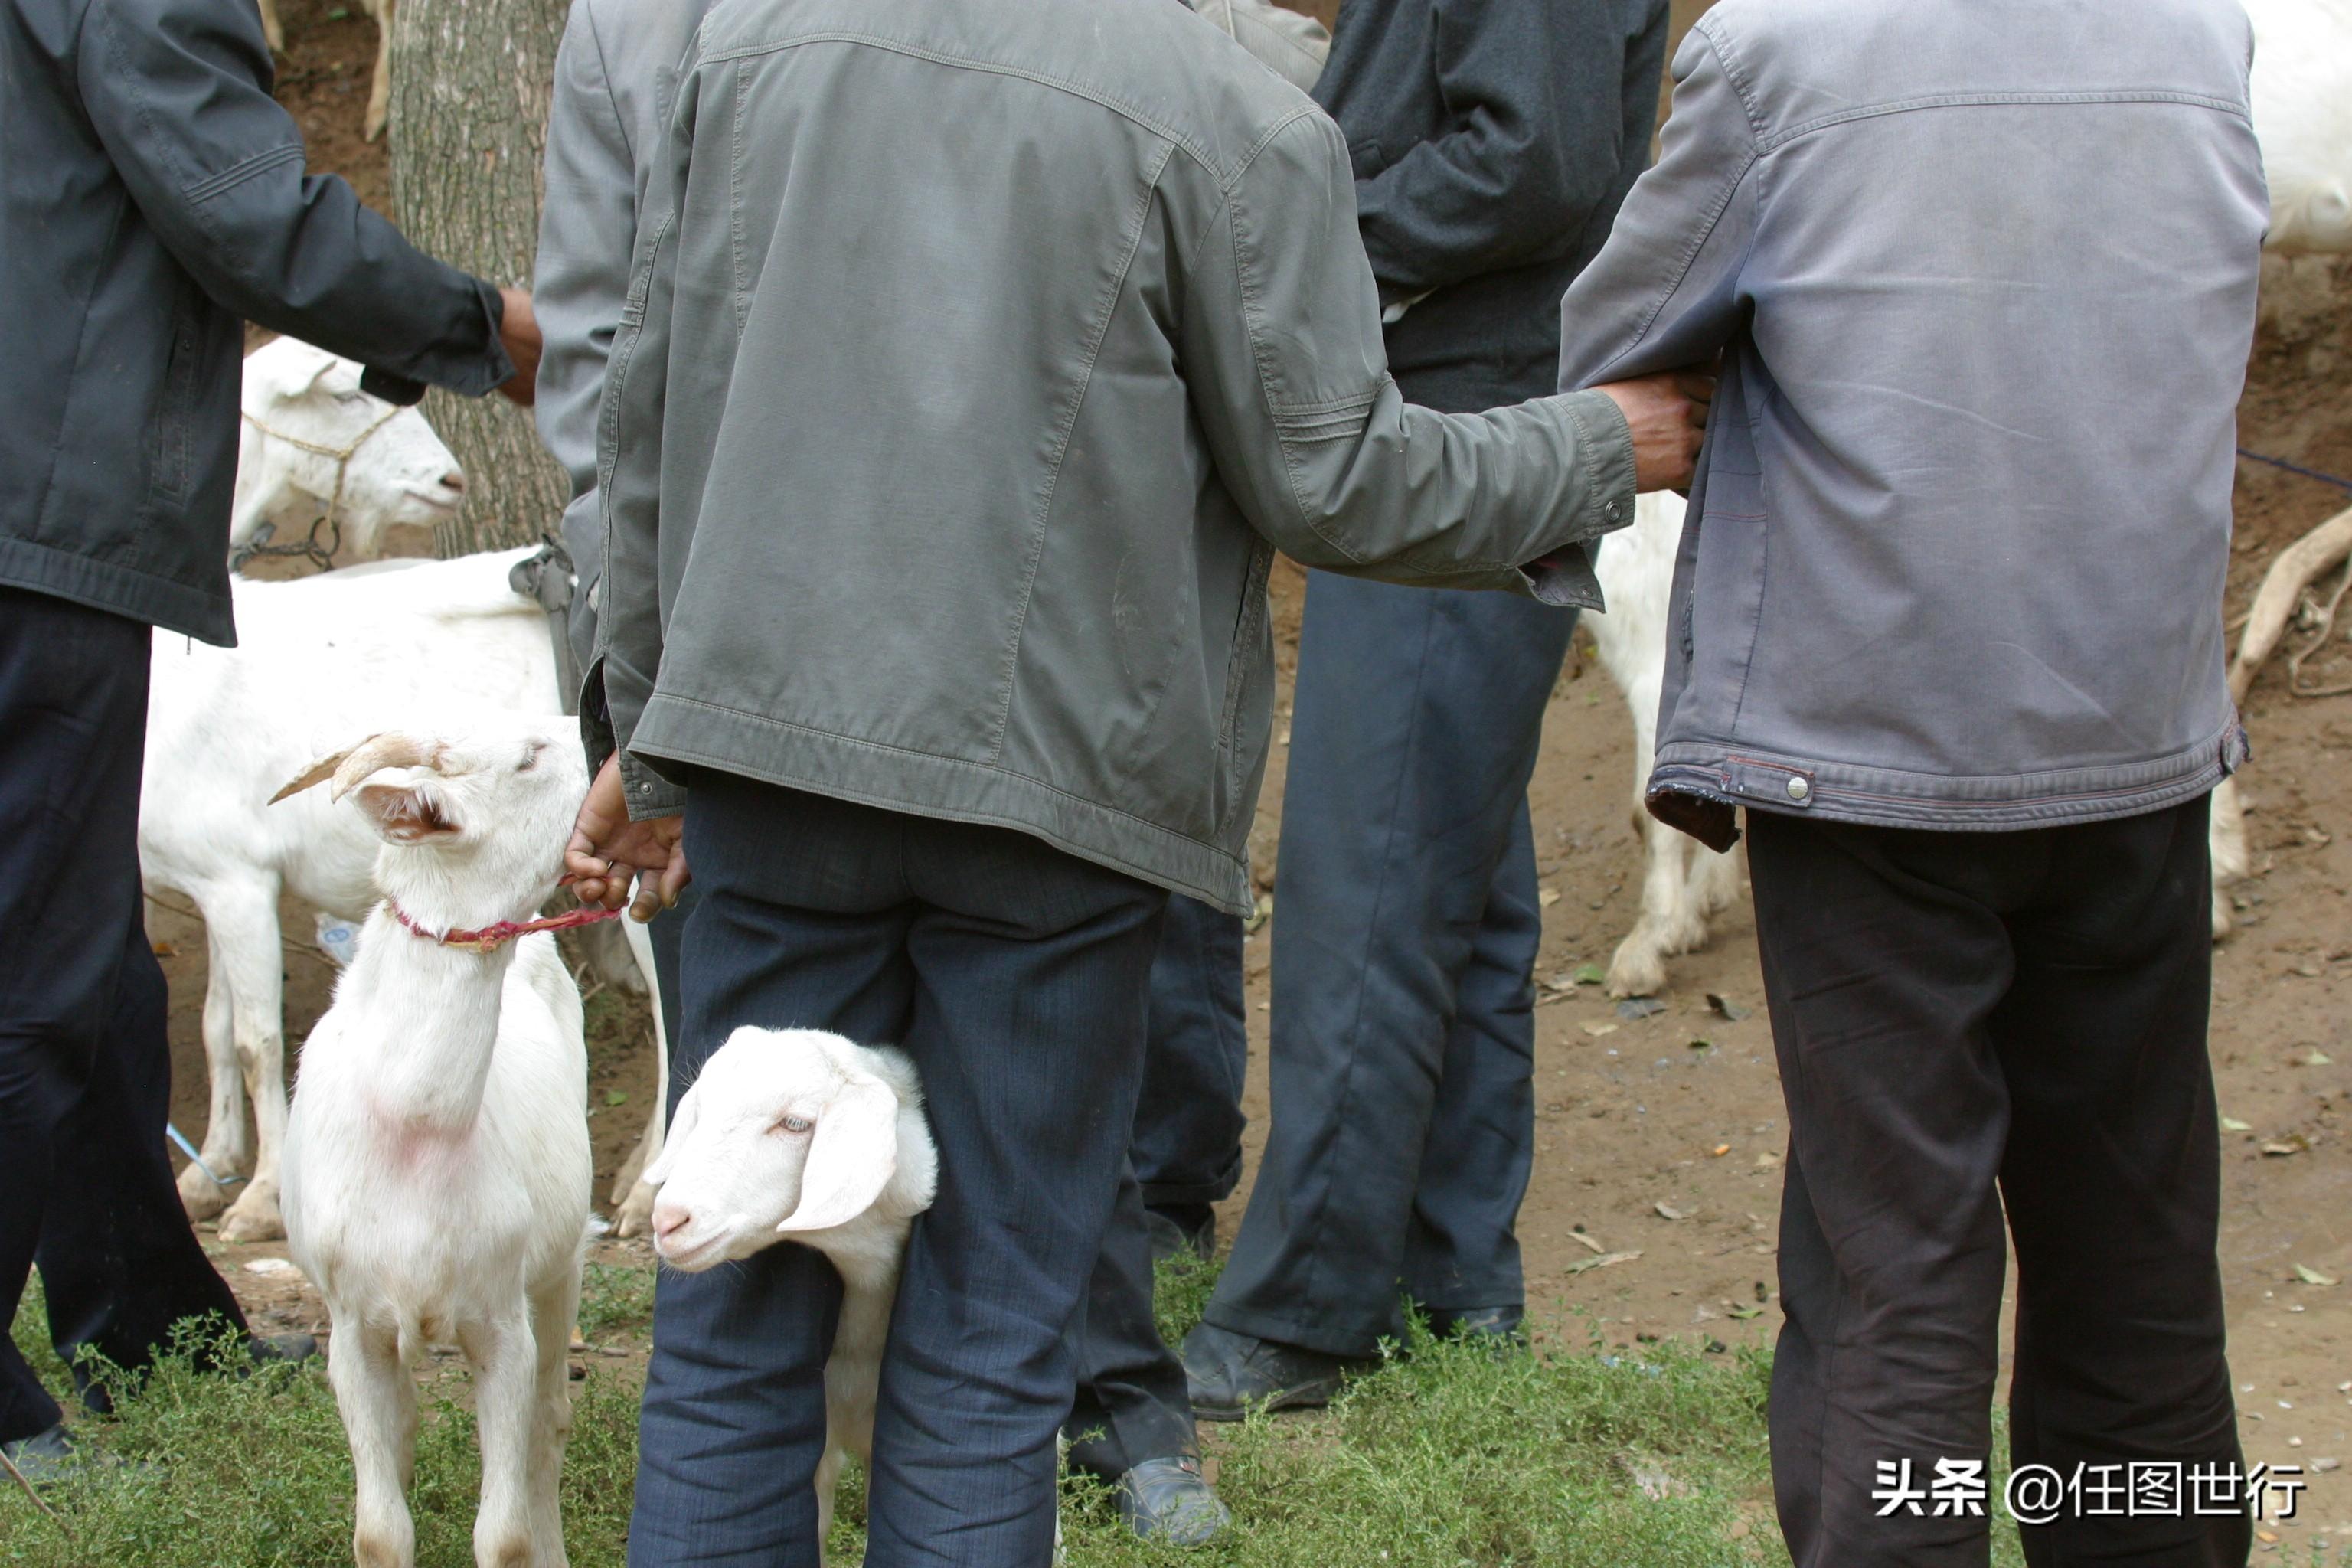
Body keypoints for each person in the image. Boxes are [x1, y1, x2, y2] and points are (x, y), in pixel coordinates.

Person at [560, 0, 1706, 1557]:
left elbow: (646, 413)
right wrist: (1596, 446)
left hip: (775, 768)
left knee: (732, 1323)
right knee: (989, 1340)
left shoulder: (751, 43)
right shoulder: (1237, 119)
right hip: (1060, 805)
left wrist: (644, 715)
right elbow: (1341, 478)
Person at [1551, 2, 2265, 1564]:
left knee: (1898, 1277)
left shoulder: (1779, 51)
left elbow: (1613, 355)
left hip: (1869, 762)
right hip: (2132, 739)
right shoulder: (2203, 34)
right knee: (2139, 1266)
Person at [0, 0, 539, 1478]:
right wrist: (487, 330)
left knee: (86, 952)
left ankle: (140, 1313)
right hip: (34, 527)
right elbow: (246, 216)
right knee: (37, 981)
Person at [1183, 0, 1672, 1417]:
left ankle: (1300, 1320)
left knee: (1376, 868)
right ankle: (1454, 1286)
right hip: (1460, 403)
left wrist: (1305, 250)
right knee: (1452, 877)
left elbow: (1537, 158)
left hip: (1468, 425)